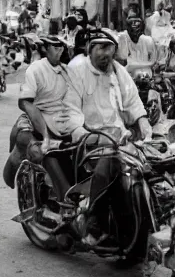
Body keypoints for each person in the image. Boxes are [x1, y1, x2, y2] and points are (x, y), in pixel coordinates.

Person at [64, 30, 152, 246]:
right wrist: (86, 136)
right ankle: (94, 221)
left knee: (151, 166)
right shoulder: (76, 70)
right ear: (90, 49)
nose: (106, 54)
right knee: (111, 164)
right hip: (89, 142)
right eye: (100, 48)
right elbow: (71, 110)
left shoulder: (117, 70)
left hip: (119, 138)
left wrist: (143, 121)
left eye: (110, 48)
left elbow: (132, 100)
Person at [2, 35, 79, 199]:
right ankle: (63, 197)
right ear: (46, 48)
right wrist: (44, 134)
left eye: (62, 47)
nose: (60, 51)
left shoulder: (69, 71)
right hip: (39, 118)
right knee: (40, 150)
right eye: (55, 47)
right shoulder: (35, 69)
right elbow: (26, 103)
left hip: (64, 121)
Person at [116, 11, 157, 75]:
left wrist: (132, 66)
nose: (134, 24)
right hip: (128, 75)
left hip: (146, 74)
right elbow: (123, 60)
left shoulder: (148, 40)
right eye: (131, 22)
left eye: (136, 22)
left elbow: (153, 61)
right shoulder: (122, 37)